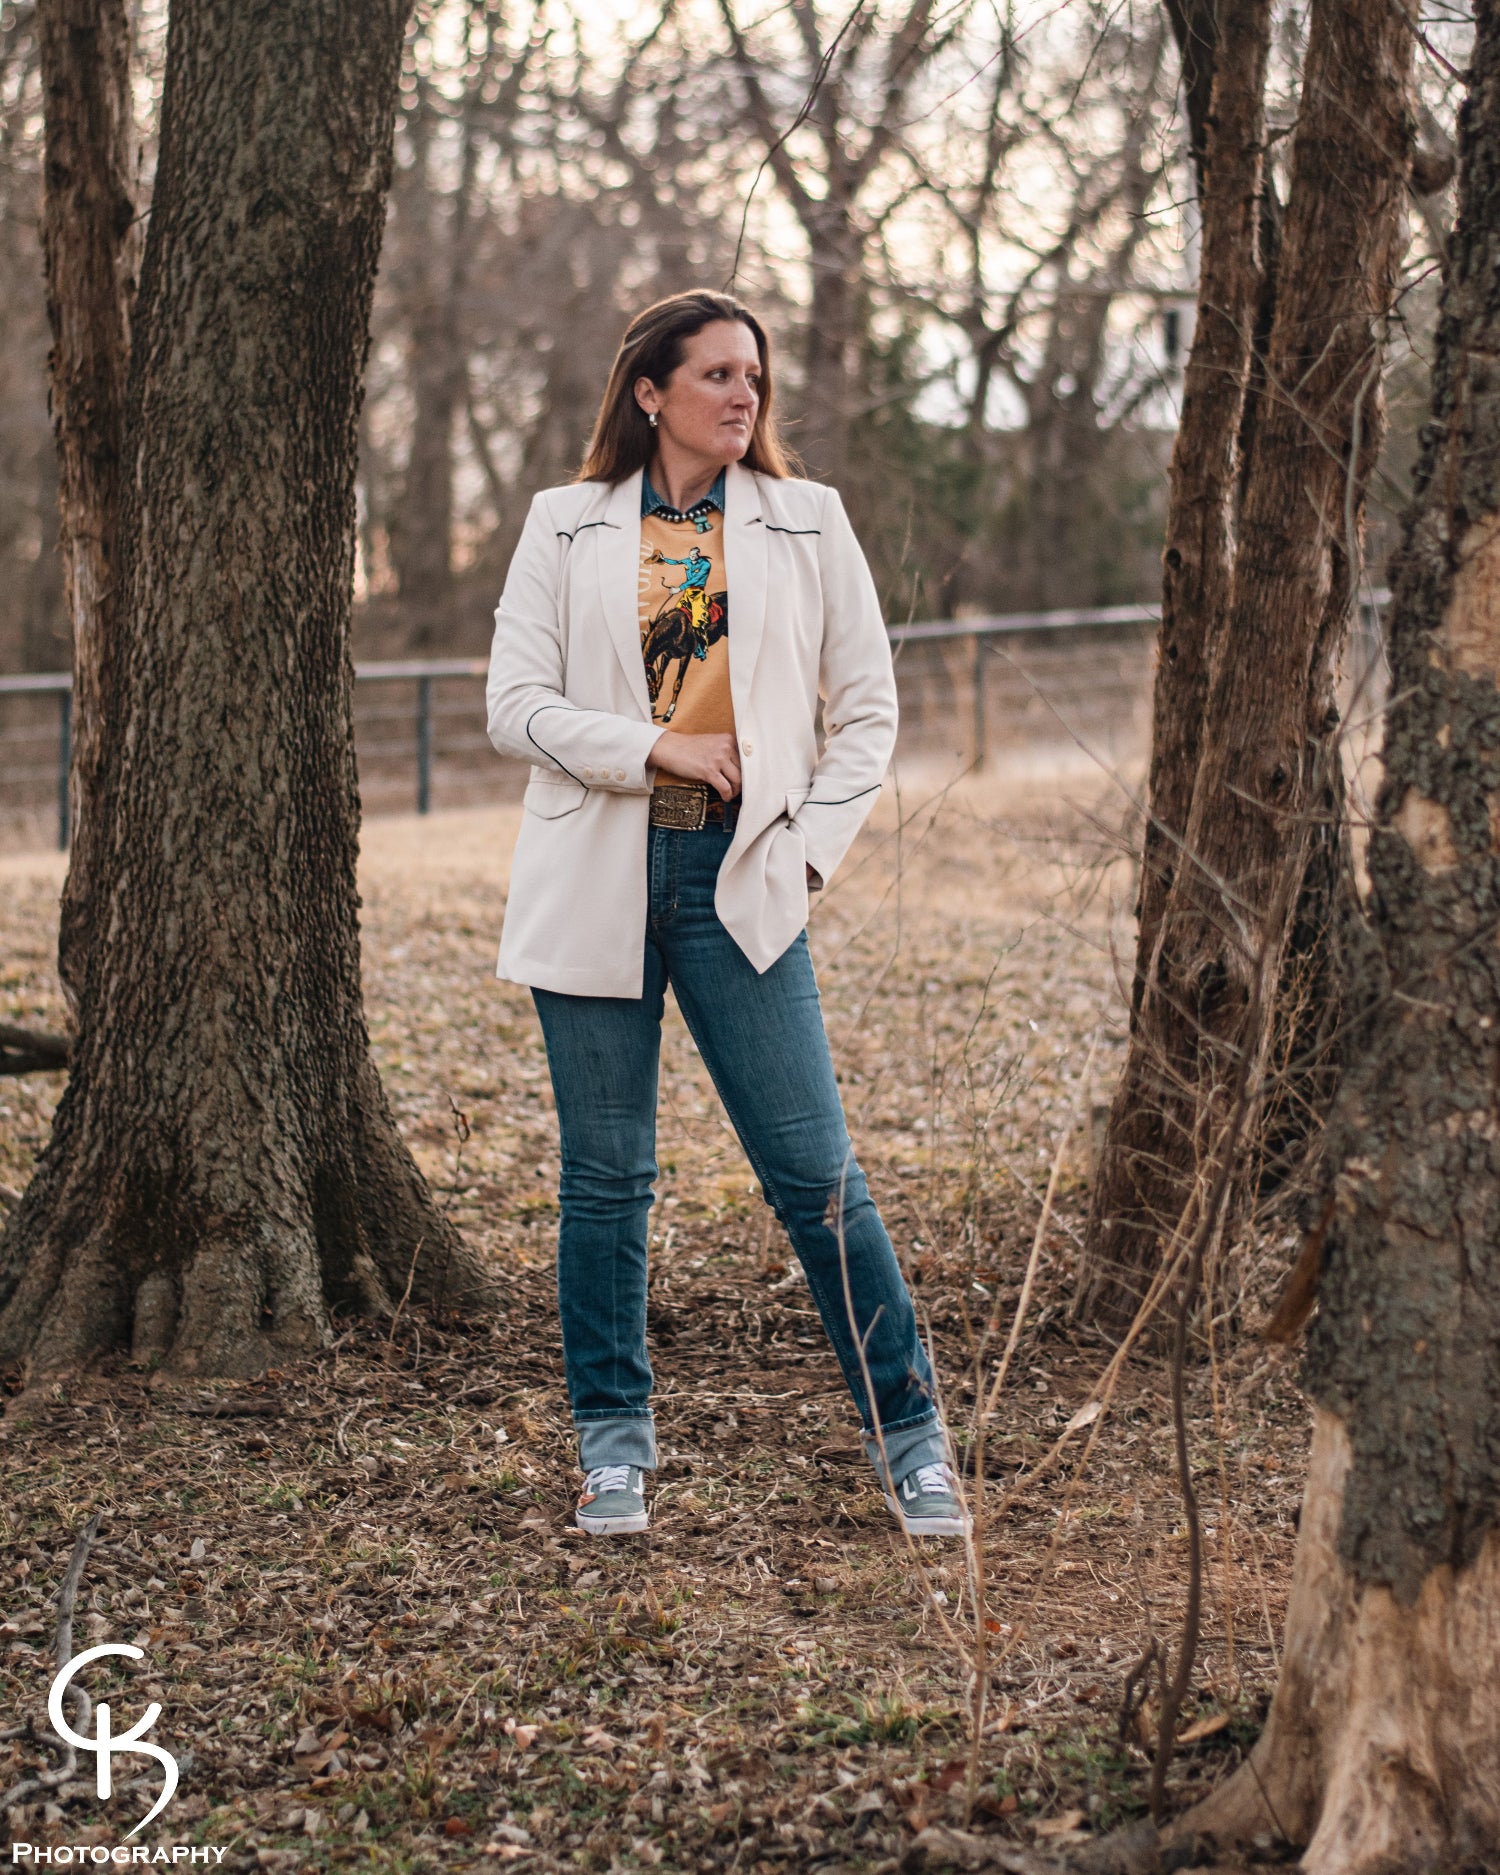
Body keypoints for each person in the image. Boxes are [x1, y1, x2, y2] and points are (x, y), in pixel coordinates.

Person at [485, 289, 964, 1540]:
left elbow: (867, 713)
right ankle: (613, 1447)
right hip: (596, 872)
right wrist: (657, 751)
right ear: (651, 392)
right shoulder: (567, 524)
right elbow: (514, 706)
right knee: (604, 1181)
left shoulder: (810, 522)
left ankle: (910, 1436)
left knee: (816, 1179)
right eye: (716, 376)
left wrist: (806, 856)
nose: (745, 396)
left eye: (755, 375)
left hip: (740, 881)